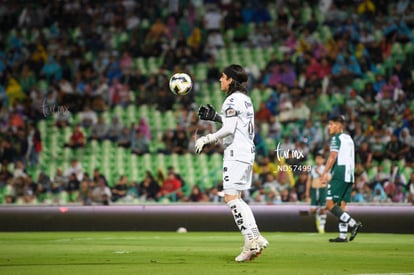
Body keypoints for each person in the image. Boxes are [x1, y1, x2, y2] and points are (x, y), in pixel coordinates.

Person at [195, 64, 268, 262]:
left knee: (230, 198)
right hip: (247, 152)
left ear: (230, 80)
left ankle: (250, 242)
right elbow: (236, 125)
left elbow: (228, 130)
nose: (220, 80)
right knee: (237, 198)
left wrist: (206, 138)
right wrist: (216, 117)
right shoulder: (245, 99)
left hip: (236, 152)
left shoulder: (231, 99)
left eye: (223, 77)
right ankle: (255, 237)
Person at [320, 115, 362, 242]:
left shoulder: (336, 138)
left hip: (339, 173)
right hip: (349, 174)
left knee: (329, 204)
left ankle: (353, 224)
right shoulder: (349, 138)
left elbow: (332, 157)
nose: (329, 127)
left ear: (339, 126)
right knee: (342, 206)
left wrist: (324, 173)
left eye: (332, 124)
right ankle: (343, 235)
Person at [305, 152, 328, 234]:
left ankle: (322, 226)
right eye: (317, 158)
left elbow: (327, 179)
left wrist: (319, 172)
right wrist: (307, 191)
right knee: (313, 209)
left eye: (320, 159)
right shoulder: (312, 168)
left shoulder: (325, 168)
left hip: (322, 190)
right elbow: (309, 180)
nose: (318, 160)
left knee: (323, 209)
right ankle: (318, 220)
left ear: (323, 160)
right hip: (314, 190)